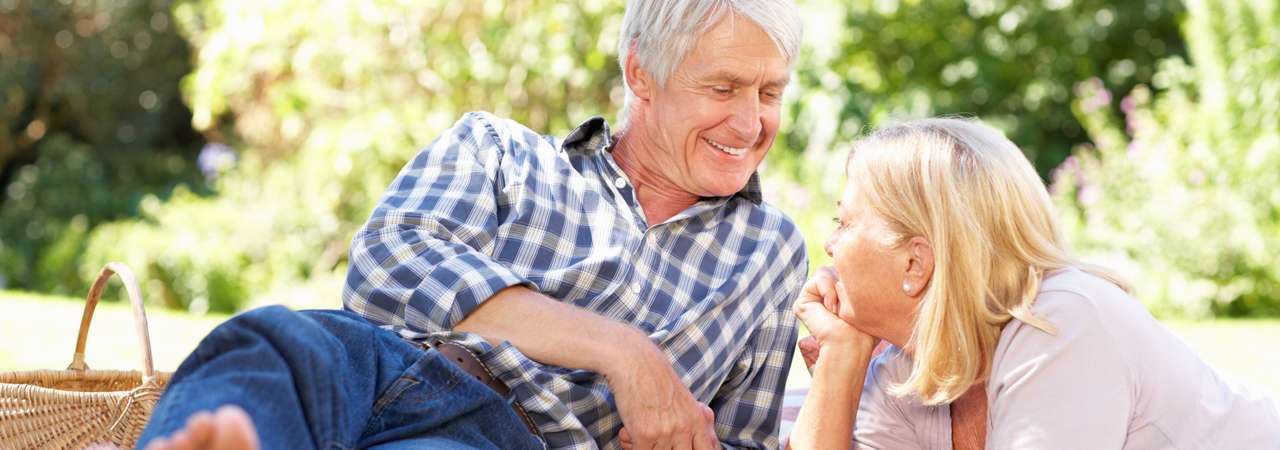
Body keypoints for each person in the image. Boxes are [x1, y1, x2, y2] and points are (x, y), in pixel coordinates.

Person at [137, 1, 808, 449]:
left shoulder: (769, 251)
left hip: (504, 433)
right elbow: (386, 264)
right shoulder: (499, 151)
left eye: (770, 92)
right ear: (642, 73)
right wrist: (623, 350)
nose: (751, 124)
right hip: (379, 359)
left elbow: (743, 440)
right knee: (273, 343)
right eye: (722, 90)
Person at [786, 118, 1280, 449]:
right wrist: (840, 362)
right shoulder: (905, 370)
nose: (829, 246)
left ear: (916, 263)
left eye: (844, 222)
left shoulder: (1062, 324)